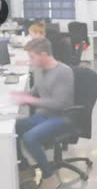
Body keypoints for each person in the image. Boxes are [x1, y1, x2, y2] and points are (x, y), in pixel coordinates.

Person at [11, 38, 74, 189]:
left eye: (32, 57)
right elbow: (35, 92)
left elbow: (60, 104)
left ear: (44, 55)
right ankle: (24, 168)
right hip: (43, 115)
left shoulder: (63, 71)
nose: (30, 60)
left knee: (29, 137)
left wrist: (31, 101)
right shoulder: (38, 69)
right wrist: (22, 97)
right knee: (15, 128)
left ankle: (49, 176)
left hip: (62, 117)